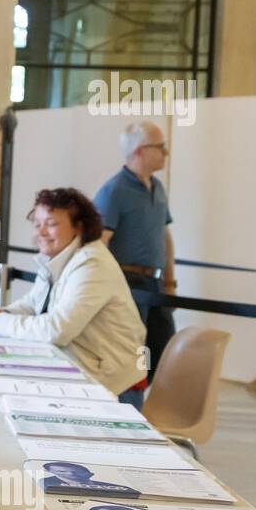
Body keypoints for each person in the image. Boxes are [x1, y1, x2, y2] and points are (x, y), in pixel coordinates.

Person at [0, 188, 147, 406]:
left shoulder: (92, 264)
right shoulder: (58, 257)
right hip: (81, 376)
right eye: (37, 224)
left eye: (51, 223)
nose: (41, 232)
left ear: (79, 226)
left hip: (113, 389)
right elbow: (32, 305)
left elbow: (57, 330)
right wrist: (0, 313)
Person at [94, 121, 177, 386]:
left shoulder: (158, 187)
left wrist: (170, 281)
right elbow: (100, 242)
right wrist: (109, 285)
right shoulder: (114, 191)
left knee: (161, 344)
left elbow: (164, 236)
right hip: (128, 283)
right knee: (130, 352)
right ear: (140, 151)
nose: (166, 152)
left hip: (154, 283)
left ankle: (144, 402)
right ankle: (129, 405)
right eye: (160, 147)